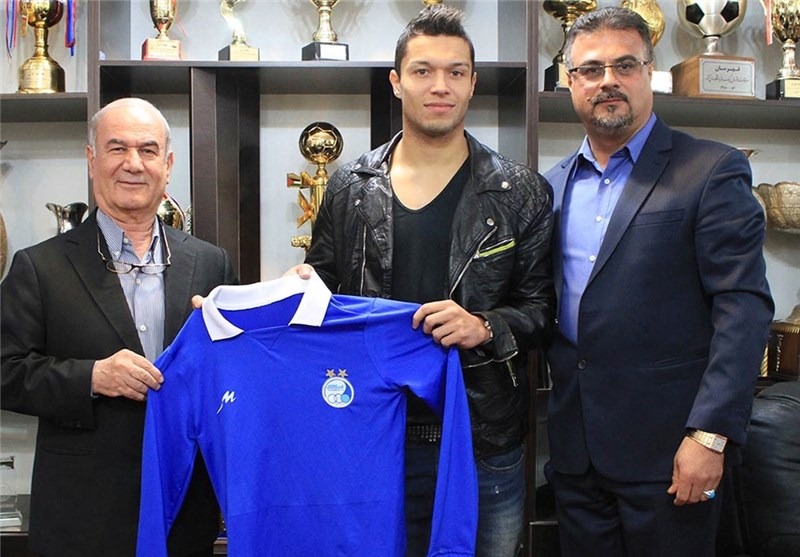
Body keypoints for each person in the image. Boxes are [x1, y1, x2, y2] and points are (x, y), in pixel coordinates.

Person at [289, 6, 555, 556]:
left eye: (456, 72)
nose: (440, 86)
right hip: (371, 431)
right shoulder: (349, 187)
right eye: (423, 71)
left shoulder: (521, 192)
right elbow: (322, 293)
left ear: (473, 83)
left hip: (483, 441)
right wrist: (291, 292)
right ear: (396, 81)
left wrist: (484, 326)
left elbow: (541, 310)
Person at [543, 7, 774, 557]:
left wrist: (710, 436)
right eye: (591, 69)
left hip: (673, 455)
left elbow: (743, 308)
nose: (608, 81)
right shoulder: (550, 186)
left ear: (649, 72)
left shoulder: (710, 170)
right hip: (577, 457)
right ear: (570, 81)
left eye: (624, 65)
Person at [1, 97, 238, 557]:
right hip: (82, 518)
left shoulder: (210, 263)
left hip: (185, 515)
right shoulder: (40, 267)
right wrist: (91, 377)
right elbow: (4, 370)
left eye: (148, 150)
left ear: (168, 165)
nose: (134, 163)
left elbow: (233, 372)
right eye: (117, 148)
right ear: (92, 160)